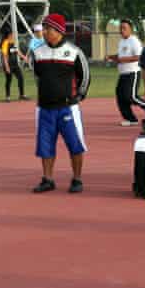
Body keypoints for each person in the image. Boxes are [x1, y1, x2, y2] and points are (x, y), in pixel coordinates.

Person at [31, 13, 90, 194]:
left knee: (75, 145)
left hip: (67, 108)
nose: (44, 32)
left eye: (47, 29)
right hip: (44, 109)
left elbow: (85, 76)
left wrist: (79, 96)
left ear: (58, 30)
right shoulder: (38, 53)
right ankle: (47, 179)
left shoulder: (74, 52)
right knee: (45, 146)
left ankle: (77, 179)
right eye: (44, 28)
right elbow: (37, 77)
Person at [107, 18, 145, 126]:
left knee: (130, 96)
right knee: (120, 96)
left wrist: (123, 60)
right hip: (123, 73)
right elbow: (120, 56)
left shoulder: (134, 41)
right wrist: (111, 57)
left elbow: (139, 56)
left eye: (124, 28)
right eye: (120, 28)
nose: (121, 30)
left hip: (132, 73)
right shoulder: (122, 41)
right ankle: (131, 119)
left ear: (131, 29)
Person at [0, 28, 28, 102]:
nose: (13, 35)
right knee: (9, 80)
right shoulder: (5, 43)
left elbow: (17, 51)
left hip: (15, 64)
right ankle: (8, 97)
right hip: (8, 64)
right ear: (9, 35)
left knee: (21, 77)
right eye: (12, 34)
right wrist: (7, 67)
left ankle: (22, 95)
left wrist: (24, 57)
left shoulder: (12, 42)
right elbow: (5, 56)